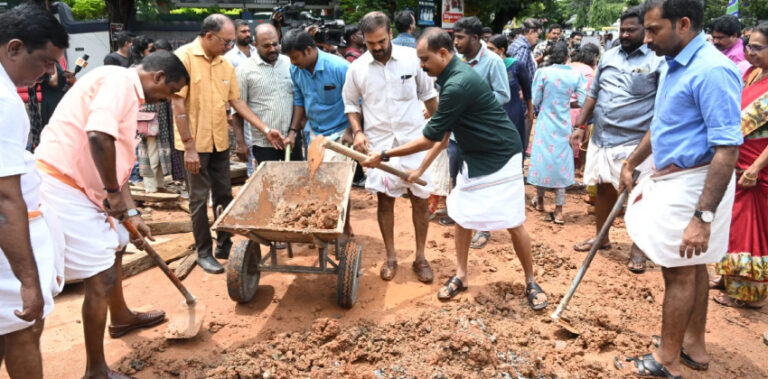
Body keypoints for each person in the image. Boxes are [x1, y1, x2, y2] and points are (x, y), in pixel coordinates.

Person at [362, 28, 548, 310]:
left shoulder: (457, 84)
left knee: (512, 222)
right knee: (462, 215)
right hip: (474, 157)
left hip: (501, 155)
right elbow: (445, 134)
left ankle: (531, 280)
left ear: (443, 54)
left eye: (425, 59)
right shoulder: (449, 80)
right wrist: (418, 170)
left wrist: (384, 154)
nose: (421, 66)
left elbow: (430, 137)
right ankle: (461, 275)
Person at [36, 51, 188, 379]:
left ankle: (120, 317)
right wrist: (113, 193)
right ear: (159, 77)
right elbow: (97, 136)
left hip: (82, 189)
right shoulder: (120, 82)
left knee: (119, 241)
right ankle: (96, 371)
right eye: (170, 90)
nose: (167, 99)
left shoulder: (127, 91)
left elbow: (118, 159)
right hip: (63, 186)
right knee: (100, 276)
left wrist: (131, 211)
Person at [620, 0, 742, 377]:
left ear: (684, 24)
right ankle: (693, 346)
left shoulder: (713, 71)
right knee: (692, 267)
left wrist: (702, 217)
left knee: (678, 270)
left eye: (655, 30)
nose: (648, 37)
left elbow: (727, 148)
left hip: (696, 183)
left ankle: (666, 360)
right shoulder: (674, 64)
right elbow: (663, 125)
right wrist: (631, 162)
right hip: (675, 177)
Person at [173, 14, 285, 274]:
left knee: (224, 194)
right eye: (226, 42)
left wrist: (266, 130)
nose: (230, 47)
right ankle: (204, 252)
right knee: (199, 200)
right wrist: (189, 147)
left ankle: (224, 242)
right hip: (194, 144)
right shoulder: (184, 58)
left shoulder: (225, 65)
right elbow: (177, 104)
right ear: (209, 36)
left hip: (219, 143)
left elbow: (238, 103)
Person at [343, 12, 438, 283]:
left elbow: (430, 98)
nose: (377, 48)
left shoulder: (411, 59)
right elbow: (351, 105)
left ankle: (420, 257)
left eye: (381, 41)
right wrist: (358, 131)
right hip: (379, 144)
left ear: (390, 34)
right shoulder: (357, 68)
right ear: (363, 40)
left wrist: (440, 130)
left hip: (414, 142)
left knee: (420, 200)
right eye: (371, 43)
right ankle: (391, 256)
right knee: (385, 201)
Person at [570, 6, 665, 276]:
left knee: (639, 196)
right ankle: (602, 237)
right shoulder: (609, 55)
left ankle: (639, 249)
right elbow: (593, 94)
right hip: (602, 136)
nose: (624, 34)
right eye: (621, 29)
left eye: (630, 30)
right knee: (603, 189)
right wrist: (580, 125)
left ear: (645, 30)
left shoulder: (657, 60)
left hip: (636, 142)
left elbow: (661, 107)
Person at [0, 5, 68, 378]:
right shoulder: (5, 101)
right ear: (14, 48)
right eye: (44, 62)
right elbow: (5, 201)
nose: (49, 72)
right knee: (25, 327)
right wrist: (29, 281)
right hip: (7, 244)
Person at [713, 22, 768, 309]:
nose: (750, 52)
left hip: (757, 168)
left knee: (750, 228)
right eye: (749, 46)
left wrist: (756, 167)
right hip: (737, 159)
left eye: (758, 47)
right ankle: (728, 276)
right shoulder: (751, 73)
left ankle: (750, 293)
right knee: (731, 223)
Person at [283, 29, 353, 241]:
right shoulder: (296, 70)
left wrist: (351, 131)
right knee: (318, 182)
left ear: (309, 50)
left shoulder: (340, 67)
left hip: (340, 133)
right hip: (314, 133)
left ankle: (344, 228)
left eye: (295, 57)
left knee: (340, 185)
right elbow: (299, 101)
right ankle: (322, 225)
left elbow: (357, 103)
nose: (293, 62)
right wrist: (293, 131)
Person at [452, 16, 511, 249]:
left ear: (475, 38)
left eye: (460, 37)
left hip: (482, 135)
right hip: (458, 133)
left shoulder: (493, 62)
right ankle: (462, 221)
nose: (455, 42)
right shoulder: (456, 61)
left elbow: (503, 95)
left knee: (481, 181)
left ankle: (483, 228)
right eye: (454, 37)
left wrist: (472, 103)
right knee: (458, 178)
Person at [528, 41, 587, 225]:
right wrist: (567, 103)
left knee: (542, 160)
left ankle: (540, 202)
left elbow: (536, 99)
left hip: (545, 123)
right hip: (563, 123)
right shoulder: (576, 76)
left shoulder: (543, 73)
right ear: (566, 56)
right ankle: (559, 211)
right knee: (561, 163)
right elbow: (584, 100)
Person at [237, 23, 301, 164]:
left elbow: (299, 99)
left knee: (297, 182)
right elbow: (238, 107)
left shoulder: (291, 64)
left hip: (292, 139)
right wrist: (241, 141)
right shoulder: (244, 70)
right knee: (269, 184)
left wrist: (293, 132)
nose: (272, 49)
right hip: (264, 143)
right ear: (255, 45)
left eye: (275, 44)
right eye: (266, 46)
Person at [487, 34, 533, 156]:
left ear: (502, 50)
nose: (488, 52)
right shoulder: (488, 66)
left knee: (515, 143)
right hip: (493, 112)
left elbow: (527, 90)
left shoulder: (515, 65)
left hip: (513, 111)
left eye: (491, 49)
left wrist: (530, 110)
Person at [568, 43, 600, 177]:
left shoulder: (569, 65)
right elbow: (590, 95)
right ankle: (579, 169)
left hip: (563, 110)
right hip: (582, 110)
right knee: (582, 140)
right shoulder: (590, 71)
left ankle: (568, 170)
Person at [508, 18, 542, 89]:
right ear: (531, 32)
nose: (537, 38)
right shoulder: (523, 48)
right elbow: (516, 72)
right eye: (537, 35)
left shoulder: (517, 43)